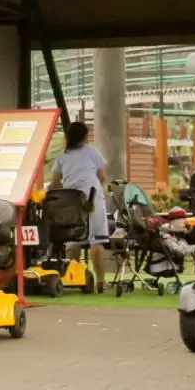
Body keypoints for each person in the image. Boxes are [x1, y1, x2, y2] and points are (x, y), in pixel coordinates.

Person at [50, 121, 109, 294]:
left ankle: (73, 279)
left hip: (71, 203)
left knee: (72, 241)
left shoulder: (62, 155)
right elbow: (102, 177)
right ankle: (100, 281)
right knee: (97, 241)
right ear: (85, 136)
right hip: (93, 200)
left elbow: (55, 182)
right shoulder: (92, 151)